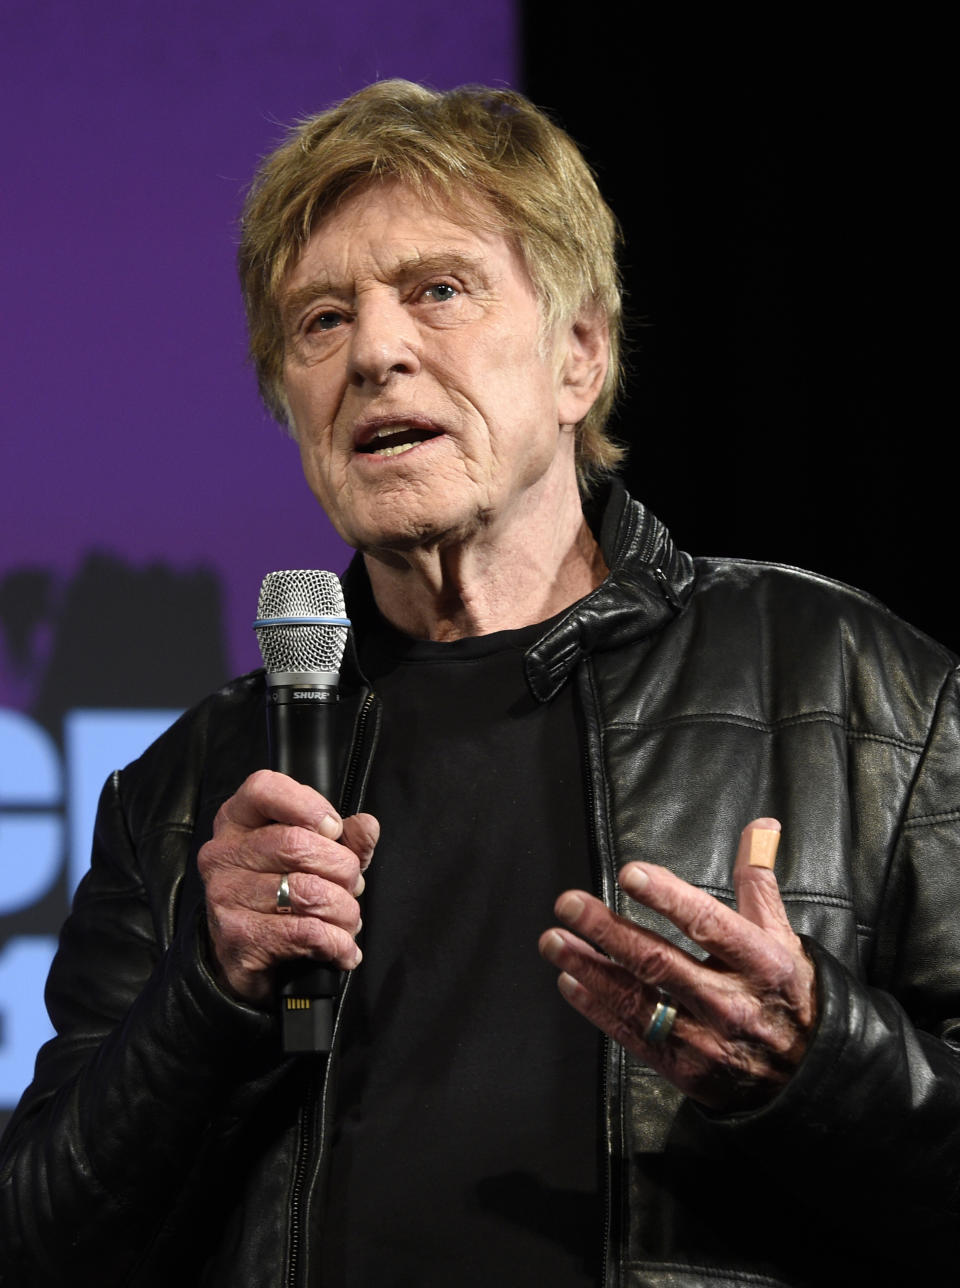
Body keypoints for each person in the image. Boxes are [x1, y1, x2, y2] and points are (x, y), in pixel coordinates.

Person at [1, 79, 958, 1287]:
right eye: (321, 321)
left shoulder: (854, 689)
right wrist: (211, 994)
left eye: (438, 292)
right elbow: (37, 1246)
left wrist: (822, 1065)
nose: (377, 353)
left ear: (580, 356)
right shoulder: (188, 786)